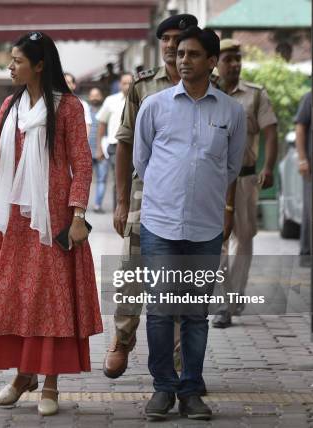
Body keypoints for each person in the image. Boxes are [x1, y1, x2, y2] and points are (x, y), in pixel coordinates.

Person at [0, 31, 103, 417]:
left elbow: (82, 163)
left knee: (49, 299)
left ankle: (50, 383)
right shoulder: (10, 106)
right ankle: (23, 375)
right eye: (10, 60)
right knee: (17, 297)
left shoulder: (69, 107)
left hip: (52, 218)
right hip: (11, 218)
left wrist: (78, 215)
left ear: (39, 65)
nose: (10, 66)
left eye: (17, 61)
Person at [133, 26, 246, 420]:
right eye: (180, 53)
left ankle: (191, 390)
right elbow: (142, 161)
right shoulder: (155, 105)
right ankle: (163, 389)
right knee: (162, 312)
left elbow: (231, 166)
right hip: (160, 226)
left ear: (212, 62)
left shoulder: (231, 111)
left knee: (195, 315)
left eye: (193, 54)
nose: (183, 60)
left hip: (205, 228)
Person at [104, 13, 198, 380]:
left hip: (191, 192)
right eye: (167, 39)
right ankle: (122, 339)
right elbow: (124, 142)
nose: (173, 45)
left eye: (179, 38)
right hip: (148, 190)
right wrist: (122, 200)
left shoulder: (209, 83)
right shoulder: (144, 86)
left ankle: (179, 357)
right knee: (132, 266)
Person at [211, 39, 278, 328]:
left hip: (244, 177)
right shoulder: (205, 93)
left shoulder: (255, 94)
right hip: (212, 180)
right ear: (216, 63)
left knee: (243, 239)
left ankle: (235, 294)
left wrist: (269, 167)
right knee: (218, 242)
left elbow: (271, 131)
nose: (235, 64)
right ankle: (224, 302)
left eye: (238, 58)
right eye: (229, 59)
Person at [96, 72, 133, 212]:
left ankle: (131, 212)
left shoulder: (141, 99)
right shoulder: (110, 101)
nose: (127, 86)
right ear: (119, 85)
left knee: (134, 180)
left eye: (130, 82)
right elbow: (101, 123)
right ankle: (118, 211)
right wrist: (99, 148)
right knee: (119, 179)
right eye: (124, 83)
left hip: (135, 146)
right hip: (115, 146)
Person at [294, 91, 312, 260]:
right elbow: (300, 128)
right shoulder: (310, 97)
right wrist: (302, 159)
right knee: (311, 208)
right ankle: (306, 252)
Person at [86, 87, 108, 213]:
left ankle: (97, 205)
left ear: (101, 96)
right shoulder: (85, 111)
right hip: (87, 151)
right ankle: (81, 205)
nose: (94, 97)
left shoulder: (106, 110)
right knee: (84, 180)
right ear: (89, 97)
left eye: (97, 95)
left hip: (103, 151)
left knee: (101, 179)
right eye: (92, 95)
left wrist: (103, 148)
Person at [64, 72, 92, 137]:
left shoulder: (82, 104)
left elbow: (87, 125)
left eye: (68, 82)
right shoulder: (53, 104)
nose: (64, 85)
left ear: (74, 85)